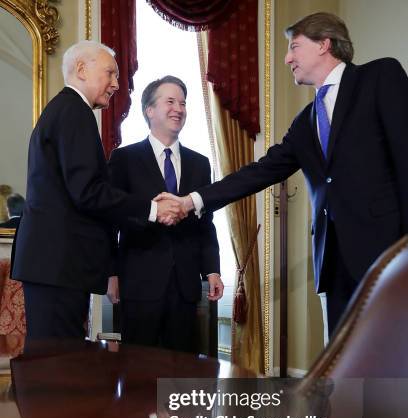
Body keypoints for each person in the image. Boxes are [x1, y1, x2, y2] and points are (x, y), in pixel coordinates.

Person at [157, 12, 408, 339]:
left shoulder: (379, 77)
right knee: (345, 362)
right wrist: (192, 201)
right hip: (333, 263)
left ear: (324, 44)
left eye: (294, 47)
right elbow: (259, 172)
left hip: (386, 253)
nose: (287, 58)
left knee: (392, 355)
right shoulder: (305, 122)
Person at [11, 41, 186, 339]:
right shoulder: (74, 112)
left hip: (54, 265)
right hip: (59, 265)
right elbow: (89, 191)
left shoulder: (63, 110)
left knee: (50, 364)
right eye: (110, 73)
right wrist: (153, 209)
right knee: (56, 365)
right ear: (81, 69)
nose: (116, 84)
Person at [108, 76, 223, 352]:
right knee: (137, 369)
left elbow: (205, 222)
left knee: (180, 371)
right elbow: (111, 220)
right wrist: (111, 274)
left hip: (184, 285)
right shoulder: (124, 159)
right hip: (138, 281)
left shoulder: (200, 163)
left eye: (183, 103)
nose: (179, 109)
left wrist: (212, 269)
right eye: (170, 101)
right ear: (149, 110)